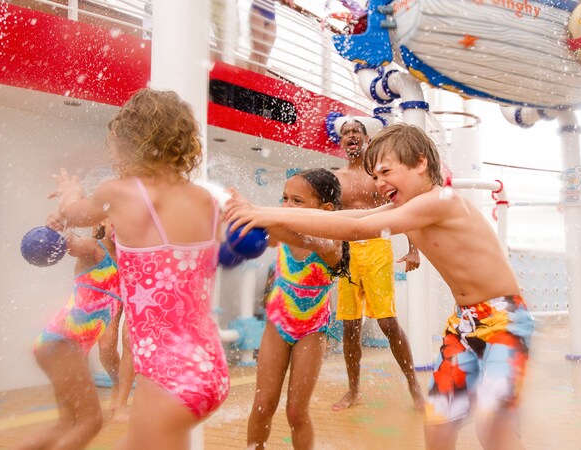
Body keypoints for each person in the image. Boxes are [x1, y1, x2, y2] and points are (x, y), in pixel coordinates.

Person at [226, 123, 534, 450]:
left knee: (492, 428)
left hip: (503, 320)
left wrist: (262, 213)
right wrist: (265, 214)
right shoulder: (406, 207)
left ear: (420, 162)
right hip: (464, 323)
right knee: (440, 423)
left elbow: (362, 230)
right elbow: (349, 222)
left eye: (386, 170)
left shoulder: (441, 201)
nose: (379, 181)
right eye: (374, 175)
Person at [49, 88, 230, 449]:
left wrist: (71, 191)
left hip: (167, 372)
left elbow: (74, 214)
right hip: (205, 366)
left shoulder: (118, 192)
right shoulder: (206, 198)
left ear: (128, 139)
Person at [246, 168, 350, 450]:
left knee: (296, 411)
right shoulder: (282, 231)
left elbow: (301, 239)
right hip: (279, 322)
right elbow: (260, 234)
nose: (287, 207)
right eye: (284, 199)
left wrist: (256, 213)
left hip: (312, 329)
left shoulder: (331, 243)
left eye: (297, 201)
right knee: (263, 404)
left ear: (325, 209)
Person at [331, 119, 424, 412]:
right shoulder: (336, 177)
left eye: (355, 131)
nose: (350, 136)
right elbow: (330, 218)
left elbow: (402, 208)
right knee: (349, 325)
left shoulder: (377, 175)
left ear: (366, 138)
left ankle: (414, 386)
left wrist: (413, 248)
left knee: (387, 322)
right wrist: (330, 253)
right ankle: (354, 390)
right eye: (345, 133)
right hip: (347, 252)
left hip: (377, 248)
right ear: (341, 141)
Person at [17, 217, 122, 450]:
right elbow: (73, 243)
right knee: (90, 422)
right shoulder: (95, 249)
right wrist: (62, 228)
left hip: (66, 345)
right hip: (63, 342)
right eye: (119, 220)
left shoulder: (125, 263)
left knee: (67, 425)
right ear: (103, 223)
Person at [248, 0, 294, 74]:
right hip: (257, 9)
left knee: (265, 53)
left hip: (271, 14)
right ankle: (250, 82)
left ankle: (260, 83)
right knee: (257, 50)